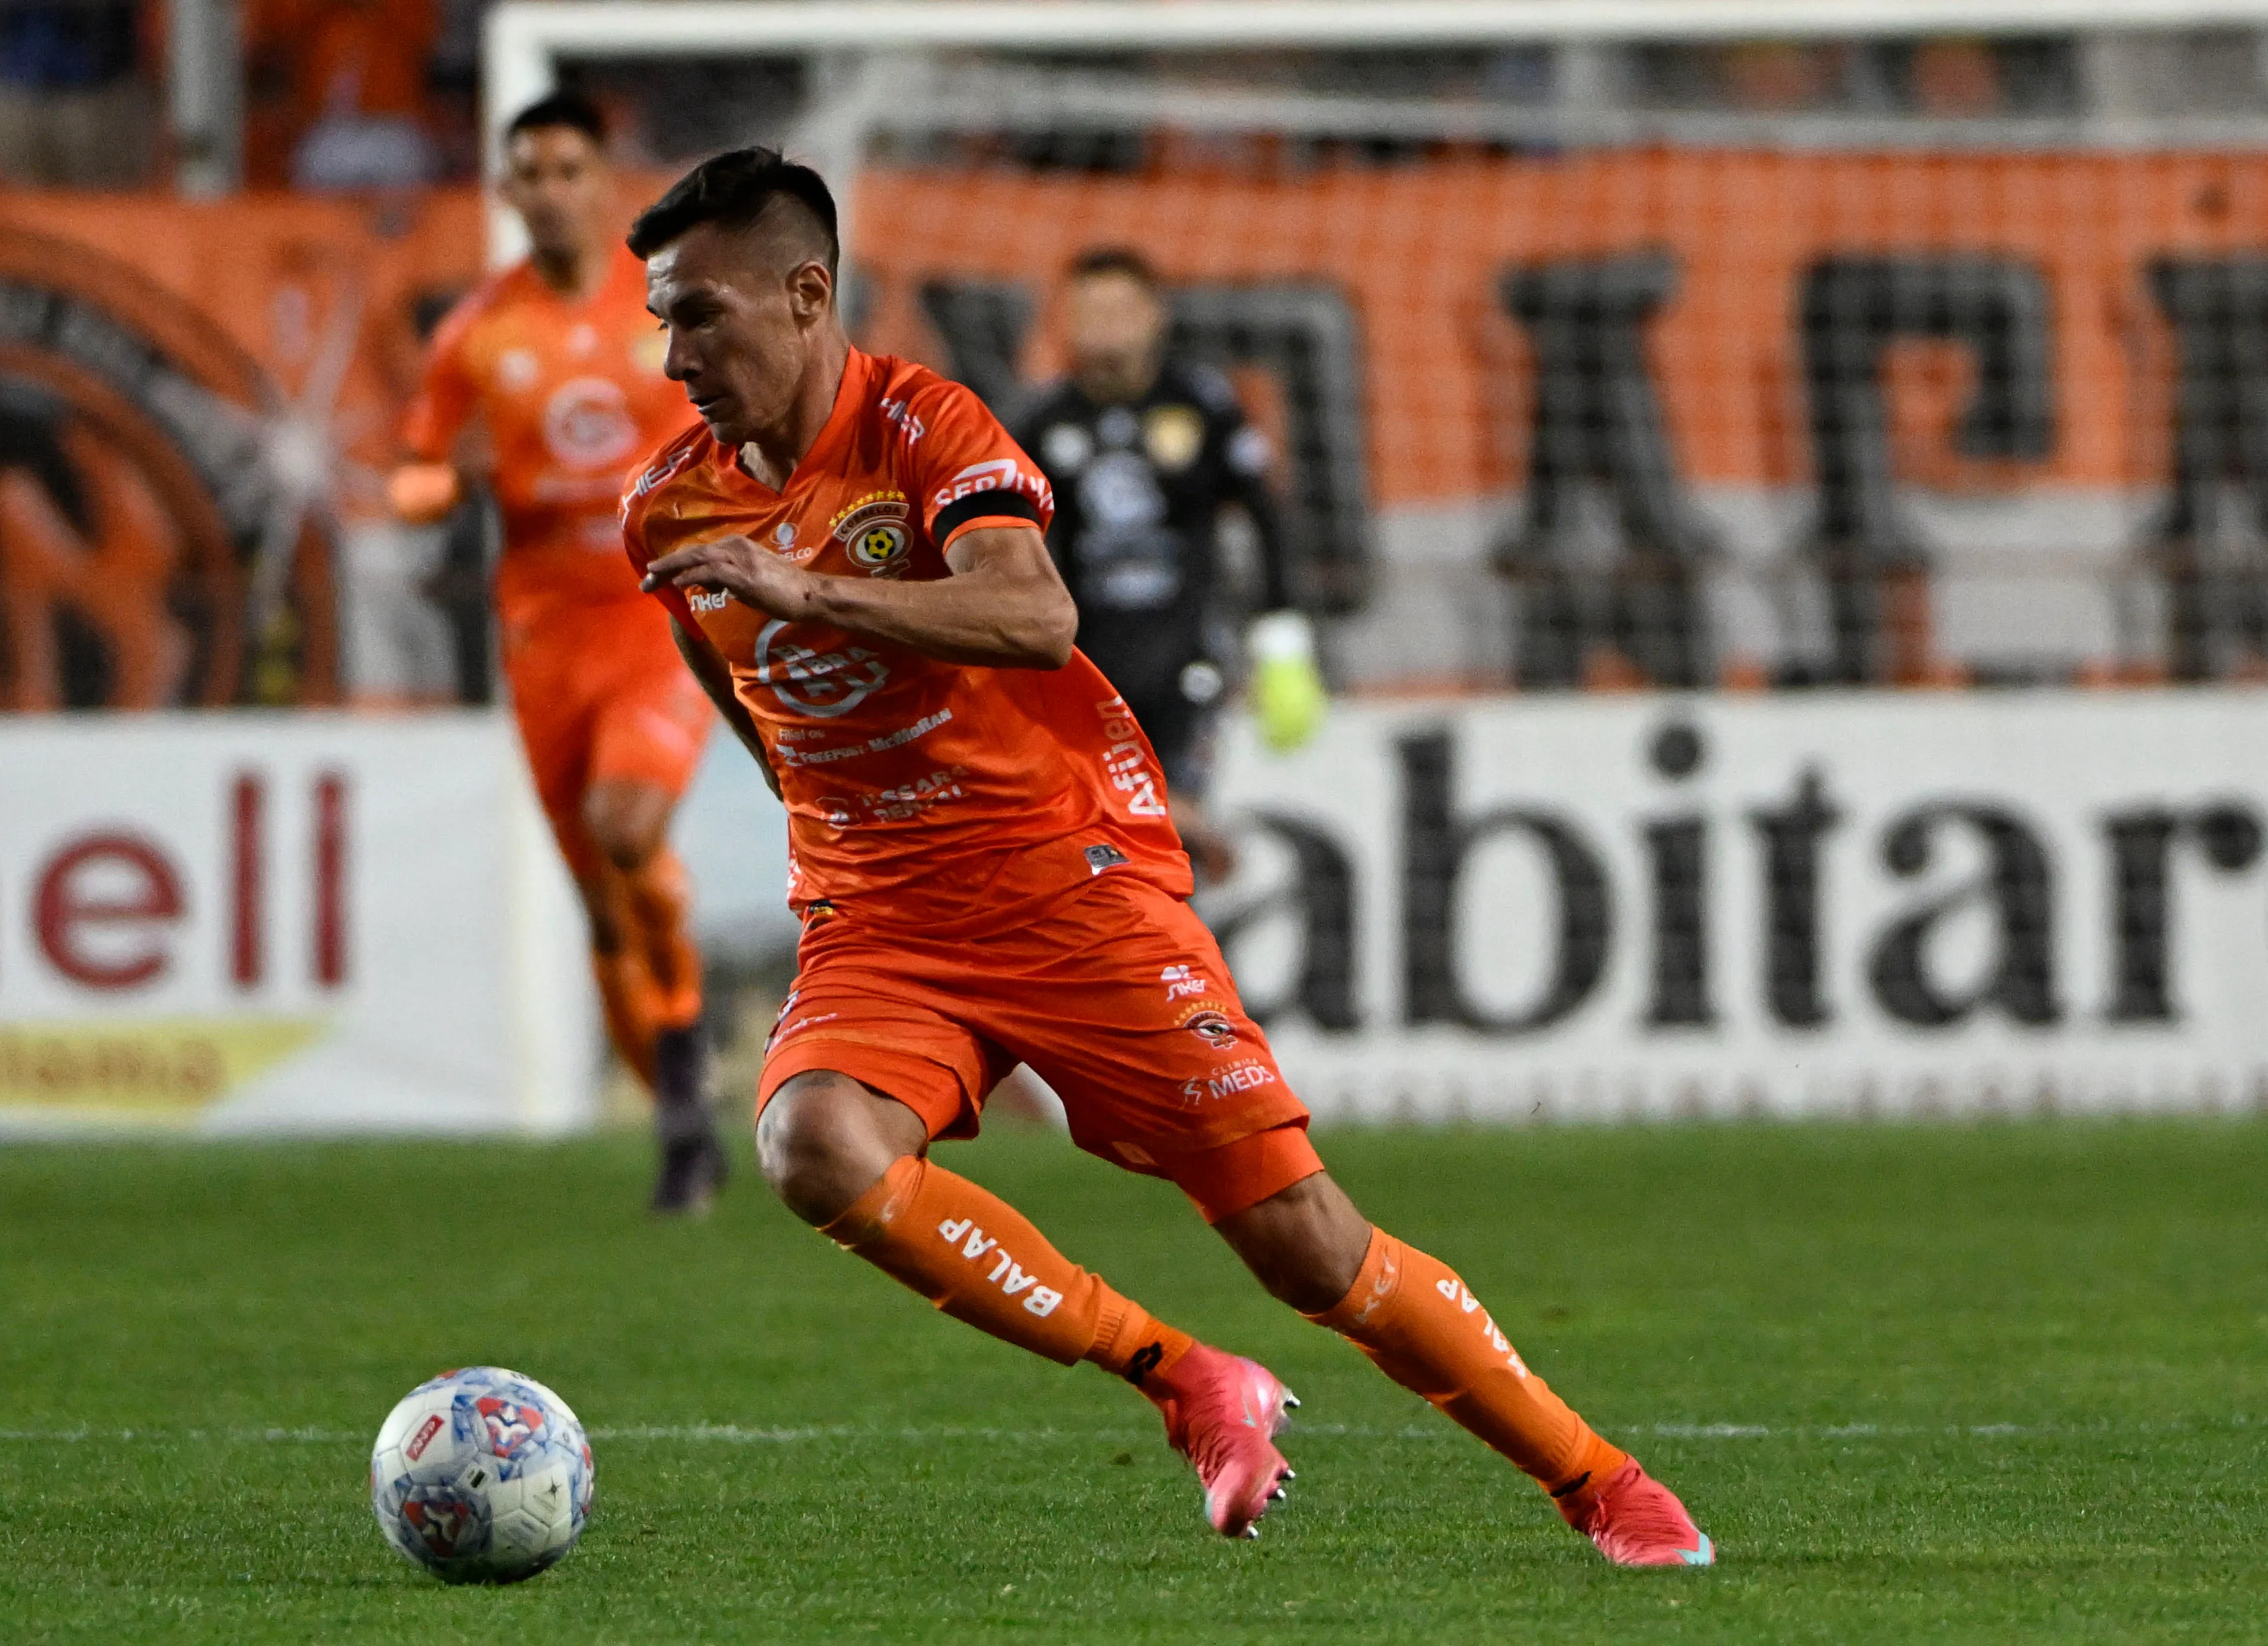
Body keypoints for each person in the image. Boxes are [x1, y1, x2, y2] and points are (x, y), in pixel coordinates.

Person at [621, 146, 1714, 1563]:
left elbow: (1032, 620)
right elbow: (734, 679)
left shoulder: (927, 427)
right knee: (812, 1145)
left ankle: (1595, 1480)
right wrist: (817, 806)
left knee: (1304, 1244)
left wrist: (808, 586)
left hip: (1060, 884)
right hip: (880, 915)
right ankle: (1185, 1377)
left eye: (698, 315)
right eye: (659, 319)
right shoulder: (667, 508)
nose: (671, 356)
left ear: (806, 291)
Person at [390, 91, 726, 1213]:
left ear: (603, 180)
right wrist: (450, 480)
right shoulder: (478, 331)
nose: (548, 190)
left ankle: (683, 1084)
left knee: (627, 830)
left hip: (659, 616)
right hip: (542, 633)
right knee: (597, 900)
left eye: (567, 169)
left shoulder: (671, 302)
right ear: (506, 192)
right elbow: (411, 476)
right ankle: (682, 1113)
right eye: (527, 172)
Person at [1013, 249, 1324, 882]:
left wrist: (1283, 637)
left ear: (1155, 317)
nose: (1105, 327)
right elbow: (1006, 543)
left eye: (1119, 309)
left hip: (1188, 652)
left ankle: (1184, 835)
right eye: (1088, 311)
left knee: (1149, 827)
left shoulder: (1202, 405)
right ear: (1064, 322)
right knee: (1110, 847)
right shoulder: (1044, 425)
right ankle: (1185, 848)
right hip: (1087, 663)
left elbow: (1265, 514)